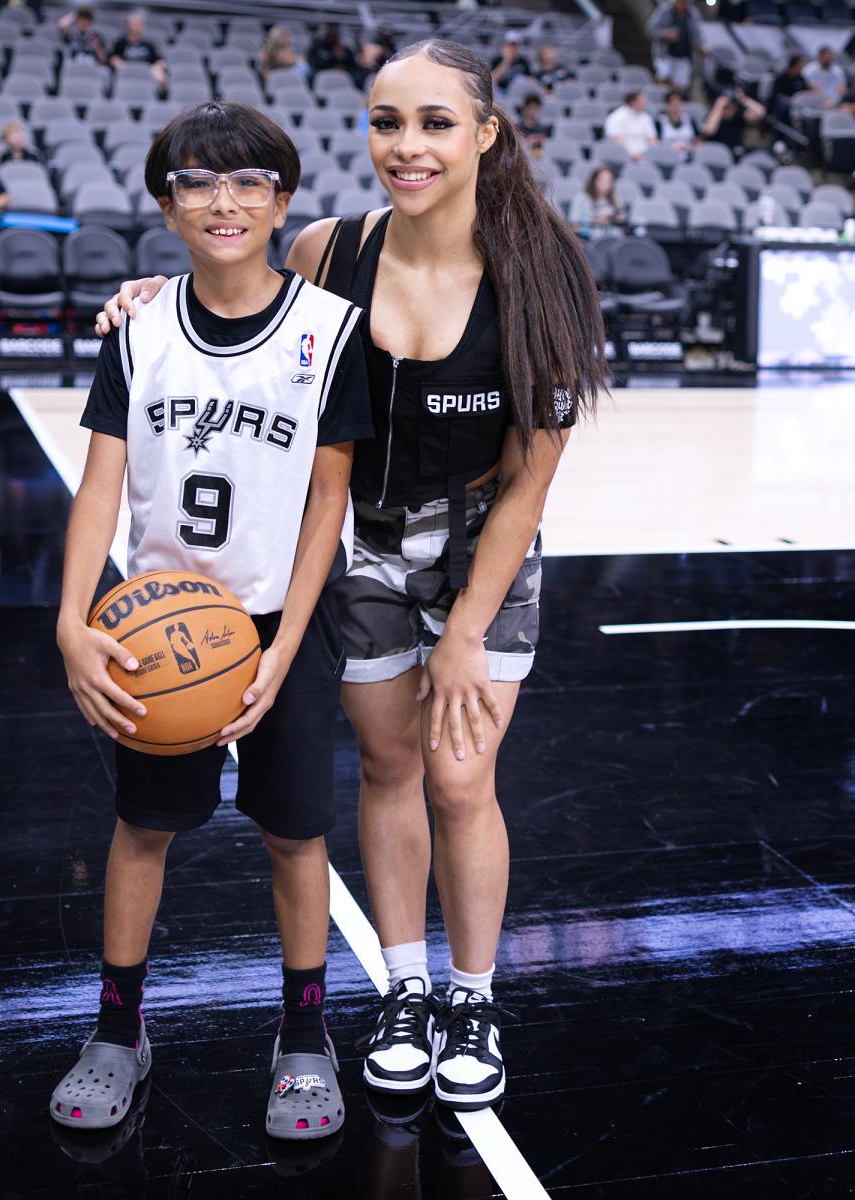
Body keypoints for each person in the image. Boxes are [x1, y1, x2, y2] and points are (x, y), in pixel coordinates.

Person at [96, 37, 607, 1113]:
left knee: (460, 778)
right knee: (386, 767)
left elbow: (531, 481)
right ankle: (406, 989)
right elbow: (241, 303)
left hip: (479, 541)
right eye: (386, 122)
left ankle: (473, 996)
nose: (406, 145)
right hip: (357, 543)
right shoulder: (331, 248)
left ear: (486, 133)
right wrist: (147, 293)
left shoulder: (540, 272)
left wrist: (466, 631)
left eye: (434, 122)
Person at [47, 101, 371, 1141]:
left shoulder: (330, 331)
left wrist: (287, 647)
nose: (223, 201)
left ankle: (306, 1038)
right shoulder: (139, 331)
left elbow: (328, 501)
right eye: (197, 181)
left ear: (282, 202)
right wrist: (70, 621)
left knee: (296, 834)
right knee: (142, 827)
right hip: (158, 627)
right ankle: (118, 1030)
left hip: (282, 621)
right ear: (167, 205)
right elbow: (99, 485)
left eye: (248, 182)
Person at [647, 0, 702, 93]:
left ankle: (675, 100)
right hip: (664, 54)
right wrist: (666, 34)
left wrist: (700, 44)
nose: (683, 4)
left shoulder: (693, 13)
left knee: (680, 86)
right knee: (663, 77)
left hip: (684, 56)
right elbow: (651, 29)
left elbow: (697, 34)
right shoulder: (664, 10)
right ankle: (660, 98)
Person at [106, 11, 164, 90]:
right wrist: (122, 66)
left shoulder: (149, 45)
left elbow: (159, 60)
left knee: (160, 74)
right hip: (126, 71)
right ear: (127, 26)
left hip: (146, 73)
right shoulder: (120, 43)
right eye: (135, 24)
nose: (138, 27)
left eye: (139, 24)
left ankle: (159, 95)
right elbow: (112, 58)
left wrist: (156, 67)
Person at [702, 84, 765, 151]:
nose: (729, 109)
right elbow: (709, 131)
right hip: (715, 152)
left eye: (732, 106)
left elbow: (760, 112)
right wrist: (719, 106)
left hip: (734, 152)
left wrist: (743, 99)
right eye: (726, 107)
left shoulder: (738, 117)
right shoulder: (712, 116)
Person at [569, 164, 627, 232]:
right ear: (594, 181)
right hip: (589, 237)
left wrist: (618, 219)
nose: (606, 183)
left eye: (609, 180)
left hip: (613, 236)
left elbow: (623, 222)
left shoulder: (616, 198)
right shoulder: (581, 198)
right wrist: (595, 222)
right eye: (602, 180)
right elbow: (574, 227)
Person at [604, 89, 658, 161]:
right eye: (642, 100)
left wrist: (651, 154)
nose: (645, 103)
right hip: (622, 157)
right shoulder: (617, 117)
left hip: (646, 157)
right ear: (633, 102)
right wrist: (632, 155)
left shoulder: (646, 117)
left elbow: (652, 139)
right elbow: (616, 140)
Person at [657, 90, 697, 156]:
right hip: (667, 156)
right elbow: (656, 142)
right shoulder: (660, 122)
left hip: (688, 155)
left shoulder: (689, 120)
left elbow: (697, 140)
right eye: (673, 103)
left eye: (678, 103)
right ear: (667, 105)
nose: (676, 106)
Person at [770, 54, 808, 122]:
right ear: (795, 65)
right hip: (784, 103)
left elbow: (805, 92)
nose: (803, 67)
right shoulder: (781, 77)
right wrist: (790, 100)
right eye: (801, 65)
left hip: (798, 104)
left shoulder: (801, 79)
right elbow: (776, 94)